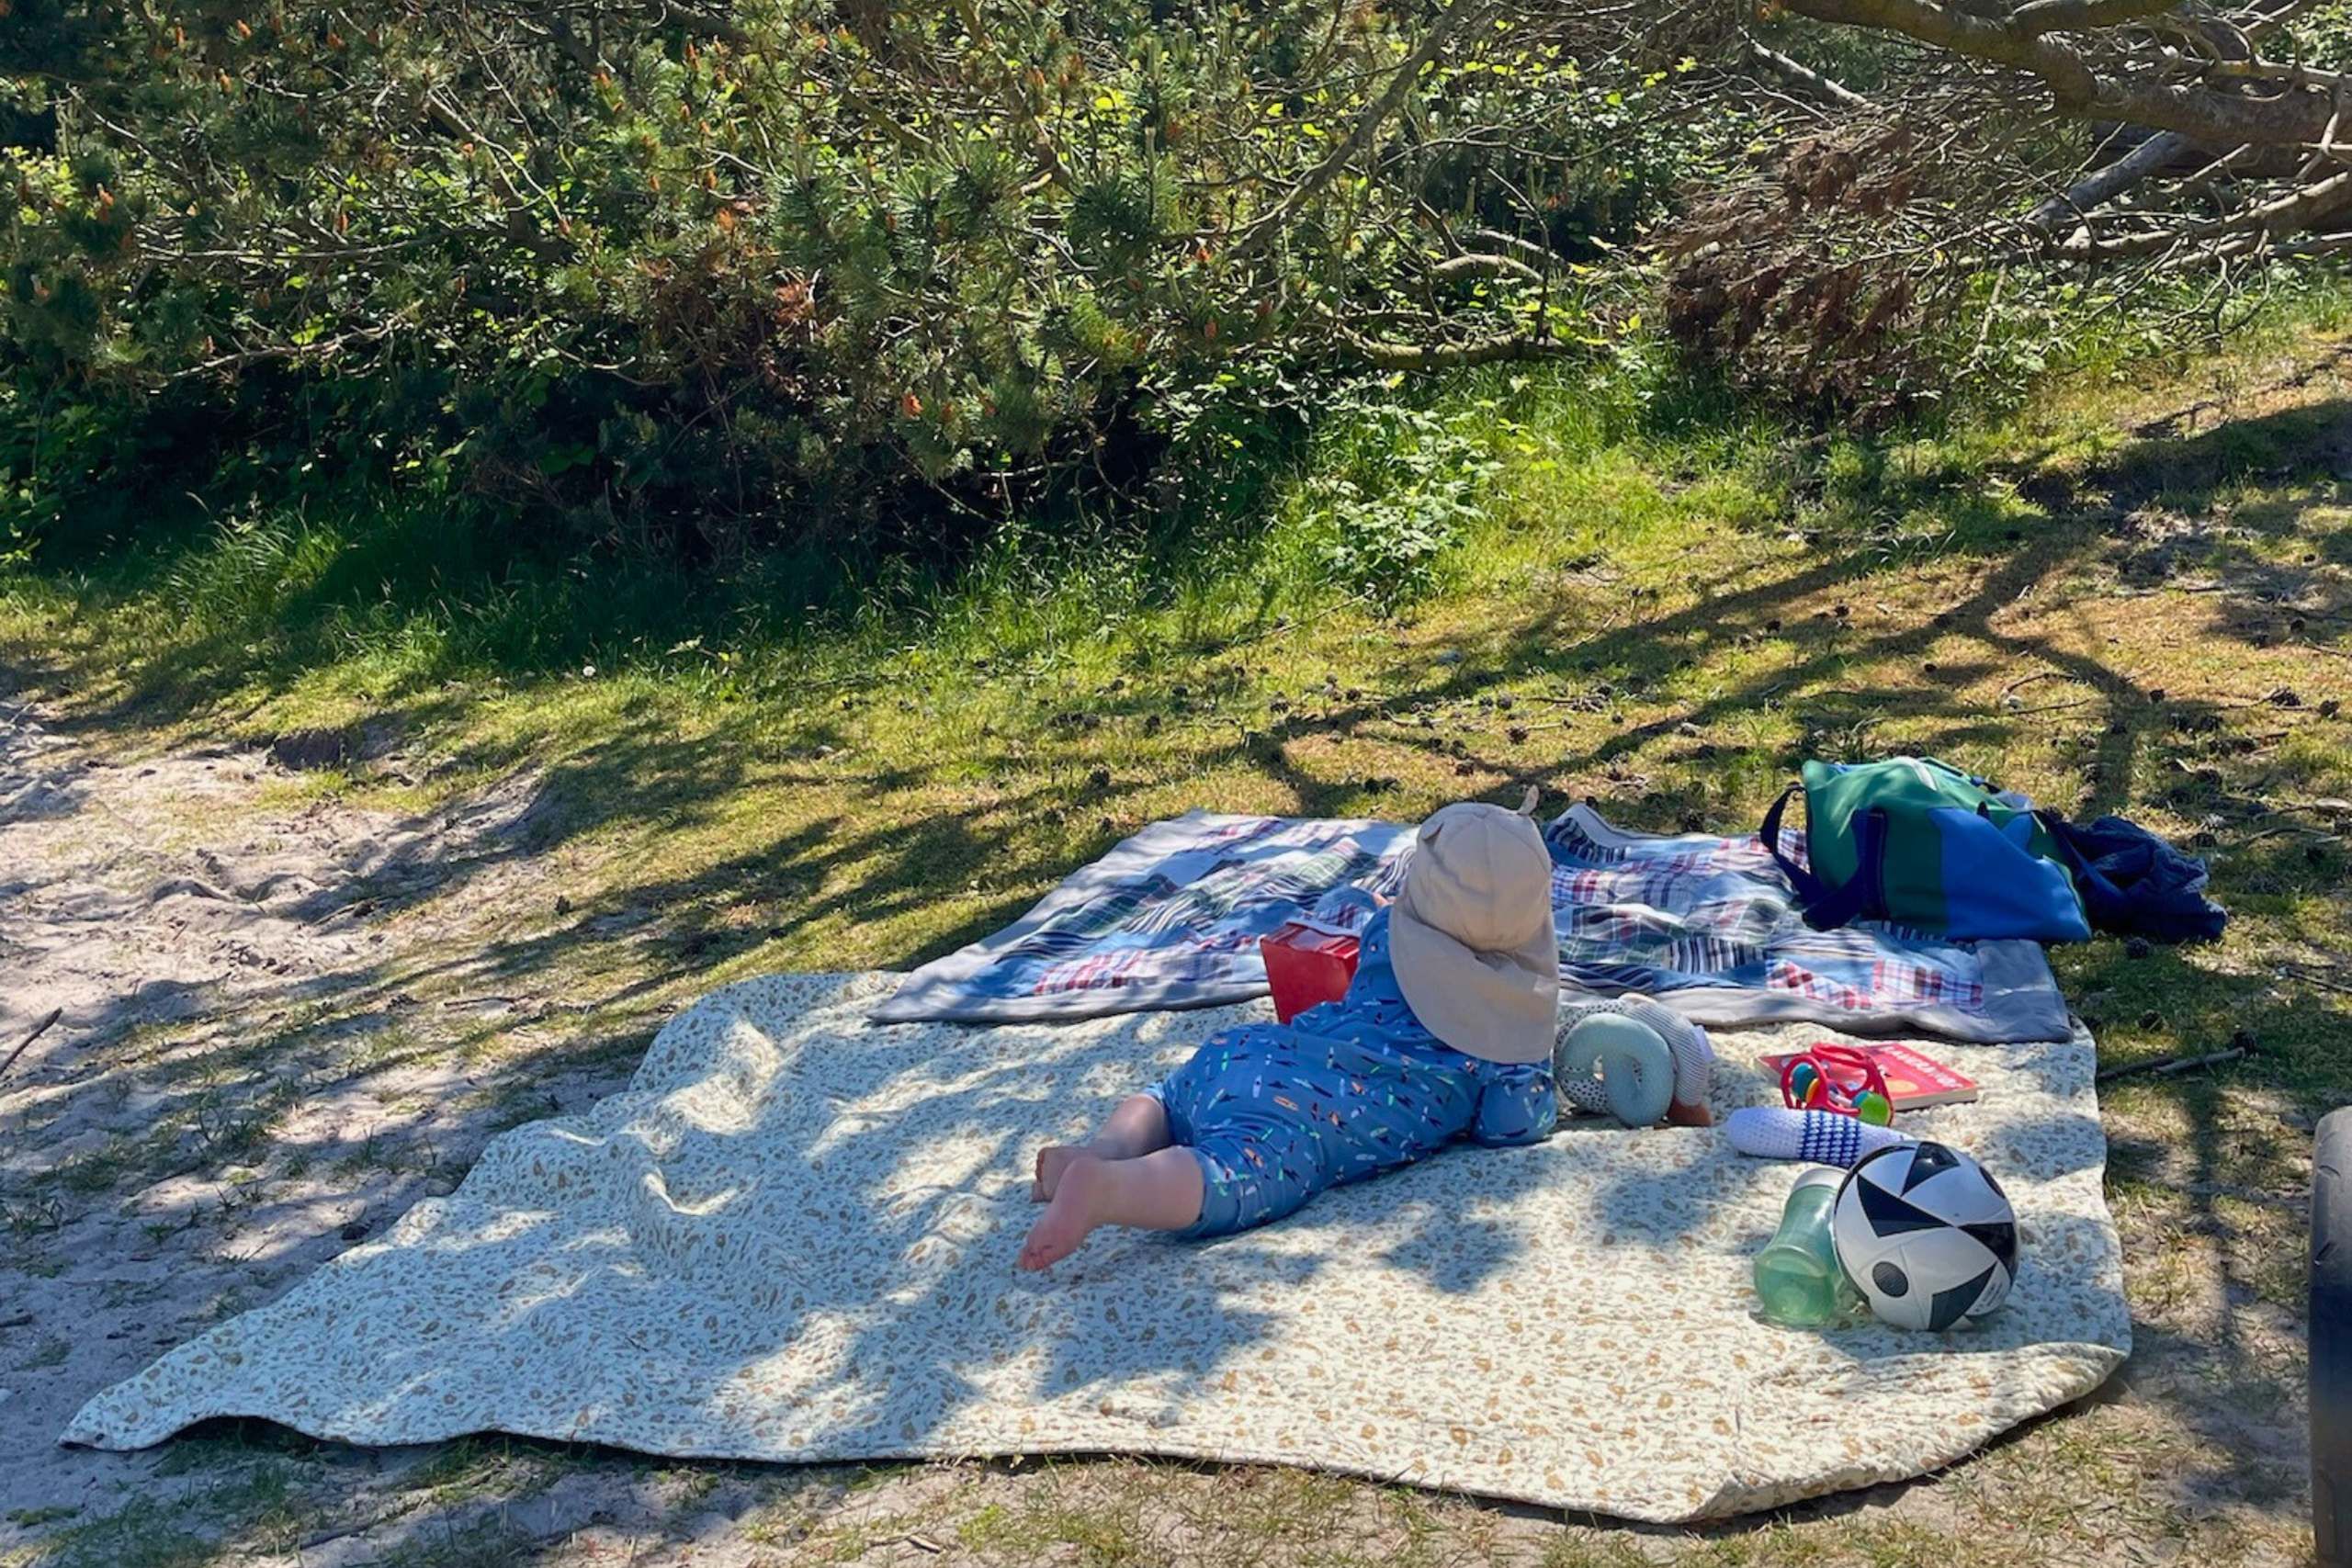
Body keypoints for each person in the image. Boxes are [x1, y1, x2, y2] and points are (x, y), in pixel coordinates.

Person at [1020, 801, 1560, 1270]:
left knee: (1167, 1096)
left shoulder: (1384, 934)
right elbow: (1508, 1126)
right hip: (1299, 1112)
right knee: (1241, 1171)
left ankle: (1106, 1150)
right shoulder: (1500, 1044)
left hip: (1257, 1051)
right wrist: (1543, 1079)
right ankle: (1110, 1189)